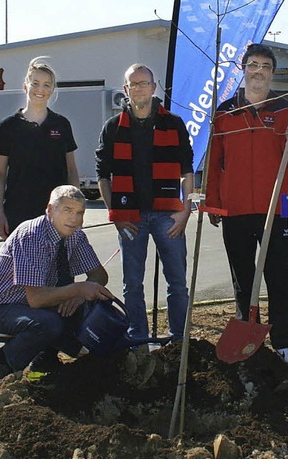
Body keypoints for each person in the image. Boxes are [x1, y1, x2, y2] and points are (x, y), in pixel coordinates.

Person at [205, 43, 288, 366]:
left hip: (274, 208)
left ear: (272, 73)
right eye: (253, 65)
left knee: (279, 275)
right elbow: (214, 160)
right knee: (243, 278)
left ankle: (285, 340)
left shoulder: (286, 110)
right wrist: (213, 203)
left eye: (265, 66)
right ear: (244, 69)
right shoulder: (224, 112)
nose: (258, 71)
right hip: (235, 210)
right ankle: (248, 336)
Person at [0, 185, 113, 384]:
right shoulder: (31, 236)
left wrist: (79, 295)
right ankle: (3, 362)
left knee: (90, 307)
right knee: (48, 323)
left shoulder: (75, 234)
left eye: (79, 213)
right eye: (67, 210)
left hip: (34, 304)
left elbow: (99, 274)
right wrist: (77, 289)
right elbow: (37, 299)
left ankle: (45, 363)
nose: (74, 219)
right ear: (50, 209)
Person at [96, 63, 193, 344]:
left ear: (154, 87)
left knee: (177, 283)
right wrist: (115, 213)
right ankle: (137, 337)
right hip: (130, 216)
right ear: (126, 90)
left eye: (144, 83)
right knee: (132, 285)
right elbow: (103, 174)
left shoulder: (173, 123)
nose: (139, 88)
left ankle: (179, 339)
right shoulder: (113, 128)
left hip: (168, 216)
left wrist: (185, 212)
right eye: (133, 84)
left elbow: (187, 171)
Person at [0, 56, 79, 239]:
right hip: (19, 216)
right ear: (25, 86)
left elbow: (71, 170)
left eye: (47, 84)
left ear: (52, 89)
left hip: (57, 216)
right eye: (35, 83)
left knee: (58, 267)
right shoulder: (6, 128)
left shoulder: (62, 125)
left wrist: (76, 211)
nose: (41, 89)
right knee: (23, 267)